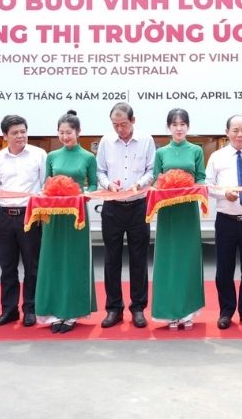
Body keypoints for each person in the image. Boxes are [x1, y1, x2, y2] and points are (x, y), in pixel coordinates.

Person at [36, 110, 98, 333]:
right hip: (53, 216)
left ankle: (72, 313)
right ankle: (54, 312)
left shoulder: (88, 157)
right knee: (53, 260)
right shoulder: (51, 156)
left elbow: (93, 186)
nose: (65, 136)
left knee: (74, 261)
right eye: (61, 133)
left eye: (69, 132)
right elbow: (46, 184)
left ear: (78, 132)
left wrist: (82, 194)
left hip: (76, 217)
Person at [96, 102, 156, 329]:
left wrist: (139, 184)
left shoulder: (147, 141)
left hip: (138, 205)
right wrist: (108, 184)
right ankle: (114, 309)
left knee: (139, 259)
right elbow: (99, 170)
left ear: (133, 120)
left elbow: (152, 170)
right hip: (112, 207)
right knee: (111, 260)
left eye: (123, 124)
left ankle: (138, 308)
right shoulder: (105, 141)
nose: (119, 129)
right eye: (115, 125)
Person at [204, 114, 242, 330]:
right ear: (227, 132)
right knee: (224, 268)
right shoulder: (217, 157)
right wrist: (224, 195)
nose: (240, 134)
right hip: (226, 220)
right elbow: (208, 186)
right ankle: (226, 311)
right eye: (235, 130)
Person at [0, 115, 47, 327]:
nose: (20, 136)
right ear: (5, 136)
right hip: (4, 216)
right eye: (15, 133)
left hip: (30, 216)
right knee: (7, 267)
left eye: (23, 131)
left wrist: (40, 214)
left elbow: (43, 187)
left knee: (32, 266)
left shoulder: (39, 155)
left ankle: (30, 309)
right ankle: (8, 310)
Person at [150, 108, 206, 330]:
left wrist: (191, 187)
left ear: (188, 126)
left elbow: (201, 178)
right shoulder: (161, 153)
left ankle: (187, 311)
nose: (179, 128)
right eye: (174, 124)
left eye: (183, 124)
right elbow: (156, 180)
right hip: (168, 212)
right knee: (168, 260)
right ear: (169, 128)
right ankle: (169, 312)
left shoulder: (196, 151)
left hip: (188, 211)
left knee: (187, 259)